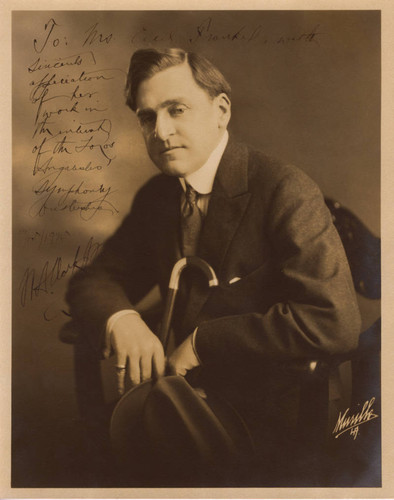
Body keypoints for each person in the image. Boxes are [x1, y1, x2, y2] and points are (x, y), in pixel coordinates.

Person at [66, 48, 361, 486]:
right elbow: (94, 279)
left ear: (221, 111)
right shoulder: (159, 198)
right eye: (148, 118)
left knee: (135, 450)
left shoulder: (284, 190)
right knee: (111, 452)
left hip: (274, 415)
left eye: (176, 110)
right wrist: (122, 318)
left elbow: (334, 321)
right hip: (179, 404)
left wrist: (204, 342)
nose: (161, 131)